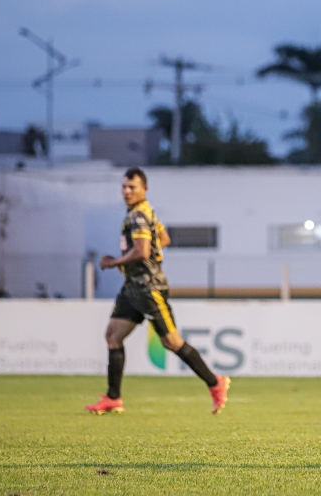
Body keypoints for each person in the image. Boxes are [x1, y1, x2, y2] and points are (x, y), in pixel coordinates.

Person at [84, 168, 231, 415]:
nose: (127, 191)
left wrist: (115, 261)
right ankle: (113, 398)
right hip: (133, 287)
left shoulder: (139, 215)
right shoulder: (144, 211)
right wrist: (145, 254)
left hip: (148, 288)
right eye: (124, 187)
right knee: (113, 336)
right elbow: (164, 238)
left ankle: (215, 383)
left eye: (132, 187)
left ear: (144, 189)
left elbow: (142, 251)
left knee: (172, 342)